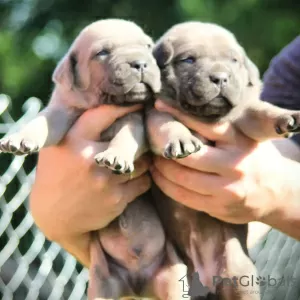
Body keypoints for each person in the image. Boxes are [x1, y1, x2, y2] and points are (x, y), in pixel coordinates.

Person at [30, 36, 300, 270]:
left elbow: (272, 177)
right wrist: (61, 223)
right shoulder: (294, 66)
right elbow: (262, 159)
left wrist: (286, 194)